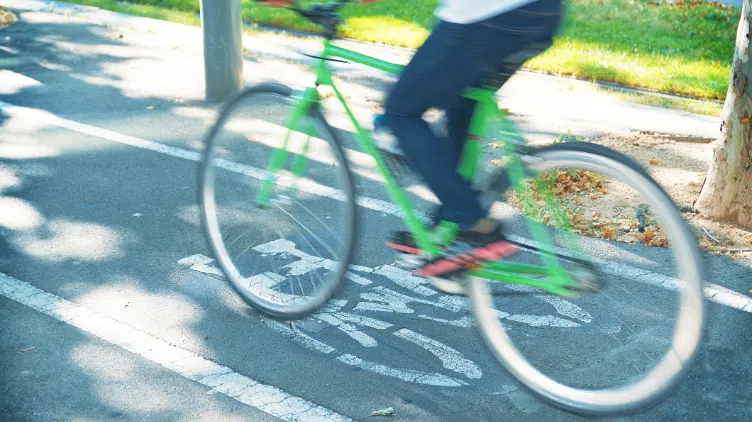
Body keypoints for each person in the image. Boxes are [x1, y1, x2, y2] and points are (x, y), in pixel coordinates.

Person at [264, 0, 563, 278]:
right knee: (460, 105)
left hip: (486, 16)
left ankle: (475, 225)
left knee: (401, 112)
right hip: (541, 13)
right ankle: (446, 228)